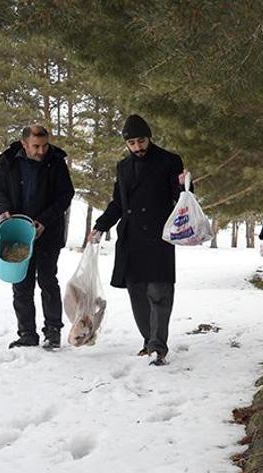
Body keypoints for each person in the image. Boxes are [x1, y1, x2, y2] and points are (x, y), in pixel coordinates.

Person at [90, 115, 187, 366]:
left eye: (141, 141)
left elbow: (181, 197)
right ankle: (148, 341)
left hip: (158, 237)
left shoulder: (169, 160)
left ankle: (158, 346)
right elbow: (118, 203)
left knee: (159, 292)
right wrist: (101, 226)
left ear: (149, 138)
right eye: (131, 143)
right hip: (131, 238)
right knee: (138, 294)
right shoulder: (123, 167)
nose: (137, 147)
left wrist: (185, 185)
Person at [0, 125, 75, 350]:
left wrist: (45, 221)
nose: (41, 151)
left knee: (47, 280)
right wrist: (4, 209)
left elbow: (66, 195)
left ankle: (53, 331)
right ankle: (27, 333)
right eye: (36, 146)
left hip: (48, 230)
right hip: (16, 231)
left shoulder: (56, 161)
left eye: (44, 145)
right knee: (21, 283)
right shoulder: (8, 160)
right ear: (24, 144)